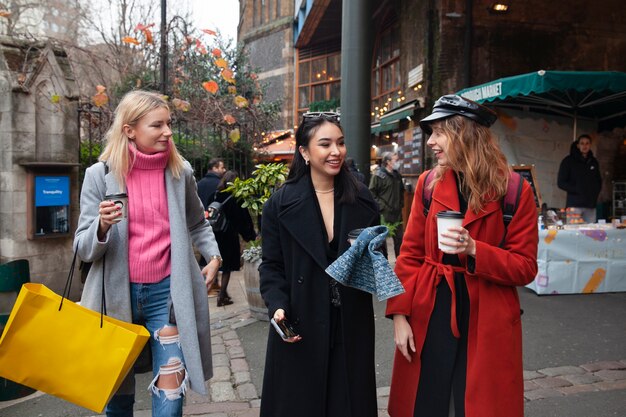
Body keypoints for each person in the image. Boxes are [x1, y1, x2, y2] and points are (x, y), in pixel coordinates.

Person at [386, 95, 538, 417]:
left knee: (480, 405)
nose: (431, 143)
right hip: (431, 307)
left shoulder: (515, 191)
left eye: (439, 133)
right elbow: (409, 256)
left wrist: (474, 250)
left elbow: (525, 267)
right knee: (427, 400)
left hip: (488, 315)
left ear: (464, 134)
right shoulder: (428, 184)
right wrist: (399, 316)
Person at [74, 90, 222, 417]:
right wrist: (101, 226)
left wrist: (213, 256)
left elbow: (198, 223)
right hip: (115, 299)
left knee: (170, 399)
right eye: (157, 125)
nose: (168, 132)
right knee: (117, 398)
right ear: (130, 130)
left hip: (167, 297)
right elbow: (83, 248)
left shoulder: (179, 173)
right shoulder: (99, 176)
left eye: (169, 124)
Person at [259, 111, 380, 417]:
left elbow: (376, 264)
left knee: (347, 403)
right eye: (325, 144)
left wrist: (367, 258)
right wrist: (277, 305)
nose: (335, 152)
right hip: (301, 318)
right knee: (300, 404)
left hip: (349, 321)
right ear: (304, 151)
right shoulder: (280, 203)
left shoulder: (363, 200)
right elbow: (271, 265)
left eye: (340, 143)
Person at [212, 170, 257, 307]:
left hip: (215, 234)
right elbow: (242, 219)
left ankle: (222, 293)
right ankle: (221, 295)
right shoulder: (236, 197)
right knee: (227, 267)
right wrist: (249, 235)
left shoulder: (215, 194)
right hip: (229, 235)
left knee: (218, 262)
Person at [197, 157, 226, 295]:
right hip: (216, 223)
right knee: (215, 253)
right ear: (214, 168)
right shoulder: (218, 183)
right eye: (221, 167)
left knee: (204, 255)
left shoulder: (200, 183)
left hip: (201, 219)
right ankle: (212, 284)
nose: (223, 170)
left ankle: (205, 283)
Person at [557, 134, 602, 223]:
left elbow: (599, 181)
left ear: (590, 145)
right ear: (578, 145)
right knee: (573, 233)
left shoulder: (594, 162)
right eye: (582, 143)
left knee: (591, 234)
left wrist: (594, 193)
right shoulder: (568, 161)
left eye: (587, 143)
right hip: (574, 206)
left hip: (590, 206)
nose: (584, 146)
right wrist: (577, 189)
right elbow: (561, 182)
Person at [369, 151, 405, 257]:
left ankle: (400, 264)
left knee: (399, 240)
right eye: (396, 160)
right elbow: (372, 192)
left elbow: (401, 191)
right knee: (382, 242)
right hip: (384, 214)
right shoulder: (378, 175)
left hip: (397, 213)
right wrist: (381, 206)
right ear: (388, 162)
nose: (398, 162)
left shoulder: (397, 175)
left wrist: (401, 204)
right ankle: (385, 266)